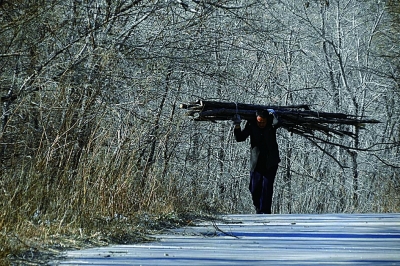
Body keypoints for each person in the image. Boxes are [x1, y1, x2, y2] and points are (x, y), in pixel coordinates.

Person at [233, 109, 280, 214]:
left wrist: (274, 113)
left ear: (267, 120)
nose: (261, 123)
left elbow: (277, 122)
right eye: (259, 121)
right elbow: (240, 138)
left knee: (267, 187)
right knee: (254, 188)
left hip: (271, 162)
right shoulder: (251, 125)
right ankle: (258, 207)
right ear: (256, 119)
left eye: (263, 121)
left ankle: (265, 211)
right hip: (256, 163)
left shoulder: (271, 126)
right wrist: (237, 125)